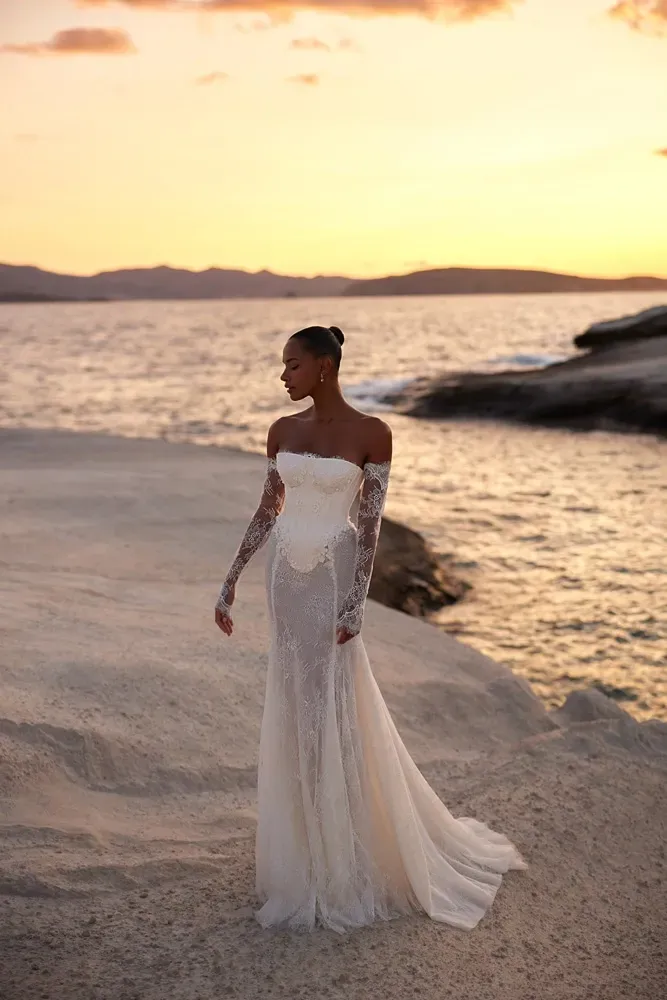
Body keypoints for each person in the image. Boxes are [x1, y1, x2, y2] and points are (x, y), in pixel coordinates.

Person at [214, 324, 527, 934]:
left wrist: (356, 602)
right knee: (293, 702)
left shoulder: (374, 434)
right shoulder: (281, 431)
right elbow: (266, 509)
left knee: (331, 701)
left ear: (325, 366)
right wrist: (230, 580)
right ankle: (301, 845)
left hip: (332, 577)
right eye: (283, 366)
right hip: (286, 577)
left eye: (293, 365)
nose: (283, 375)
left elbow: (370, 522)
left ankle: (344, 846)